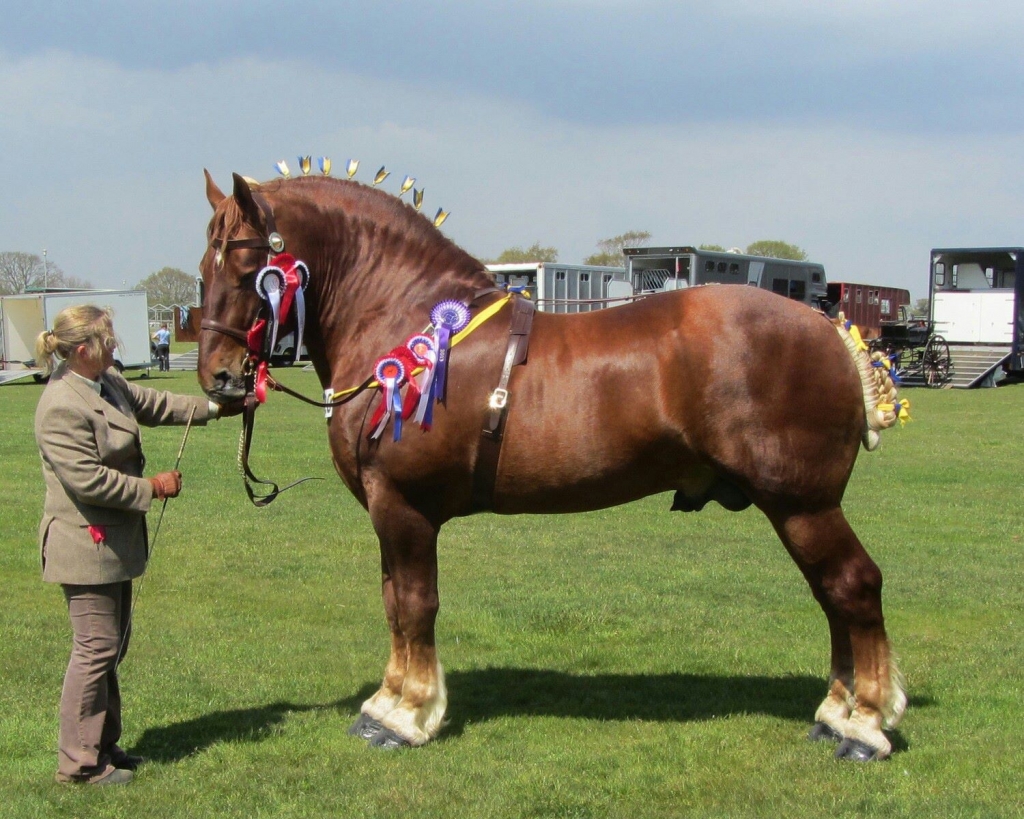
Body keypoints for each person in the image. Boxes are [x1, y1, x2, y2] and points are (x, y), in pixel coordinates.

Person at [33, 305, 237, 786]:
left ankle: (103, 746)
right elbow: (87, 482)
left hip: (114, 545)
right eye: (107, 340)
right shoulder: (62, 404)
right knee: (94, 649)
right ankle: (78, 766)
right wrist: (153, 488)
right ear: (82, 350)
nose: (115, 346)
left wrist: (217, 407)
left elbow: (155, 403)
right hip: (83, 546)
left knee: (111, 648)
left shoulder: (107, 383)